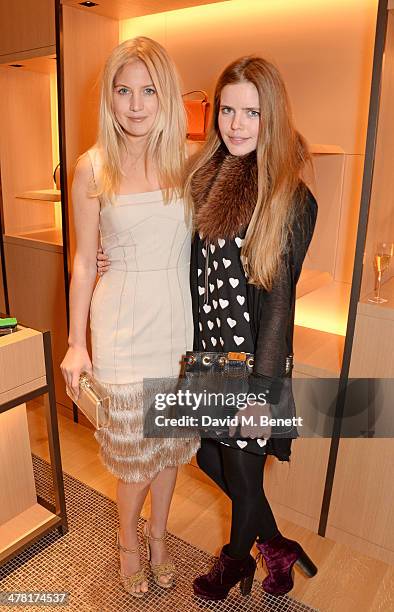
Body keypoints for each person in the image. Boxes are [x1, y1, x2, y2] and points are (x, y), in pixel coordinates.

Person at [61, 37, 199, 598]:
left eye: (149, 91)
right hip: (119, 323)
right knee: (135, 460)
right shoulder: (91, 167)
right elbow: (81, 258)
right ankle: (128, 543)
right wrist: (76, 342)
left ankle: (161, 540)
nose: (137, 104)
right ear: (110, 99)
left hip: (177, 323)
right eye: (124, 91)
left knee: (168, 450)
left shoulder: (188, 163)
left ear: (166, 97)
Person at [182, 55, 318, 600]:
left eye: (252, 112)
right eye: (229, 110)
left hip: (254, 363)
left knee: (241, 471)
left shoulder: (289, 196)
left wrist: (262, 394)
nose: (236, 124)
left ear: (273, 116)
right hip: (212, 356)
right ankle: (277, 545)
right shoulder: (207, 177)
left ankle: (236, 560)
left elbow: (280, 302)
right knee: (208, 456)